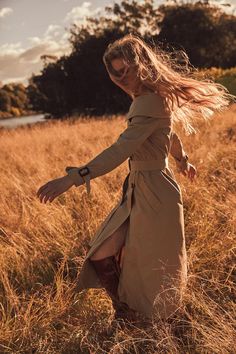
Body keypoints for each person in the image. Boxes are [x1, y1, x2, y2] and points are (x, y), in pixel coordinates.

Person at [36, 33, 233, 323]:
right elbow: (170, 134)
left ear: (141, 63)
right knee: (105, 252)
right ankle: (128, 312)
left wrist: (74, 178)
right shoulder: (150, 99)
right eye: (114, 73)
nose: (120, 78)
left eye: (125, 70)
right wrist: (183, 159)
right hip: (143, 187)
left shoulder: (149, 101)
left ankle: (142, 318)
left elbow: (121, 149)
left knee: (152, 263)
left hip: (155, 192)